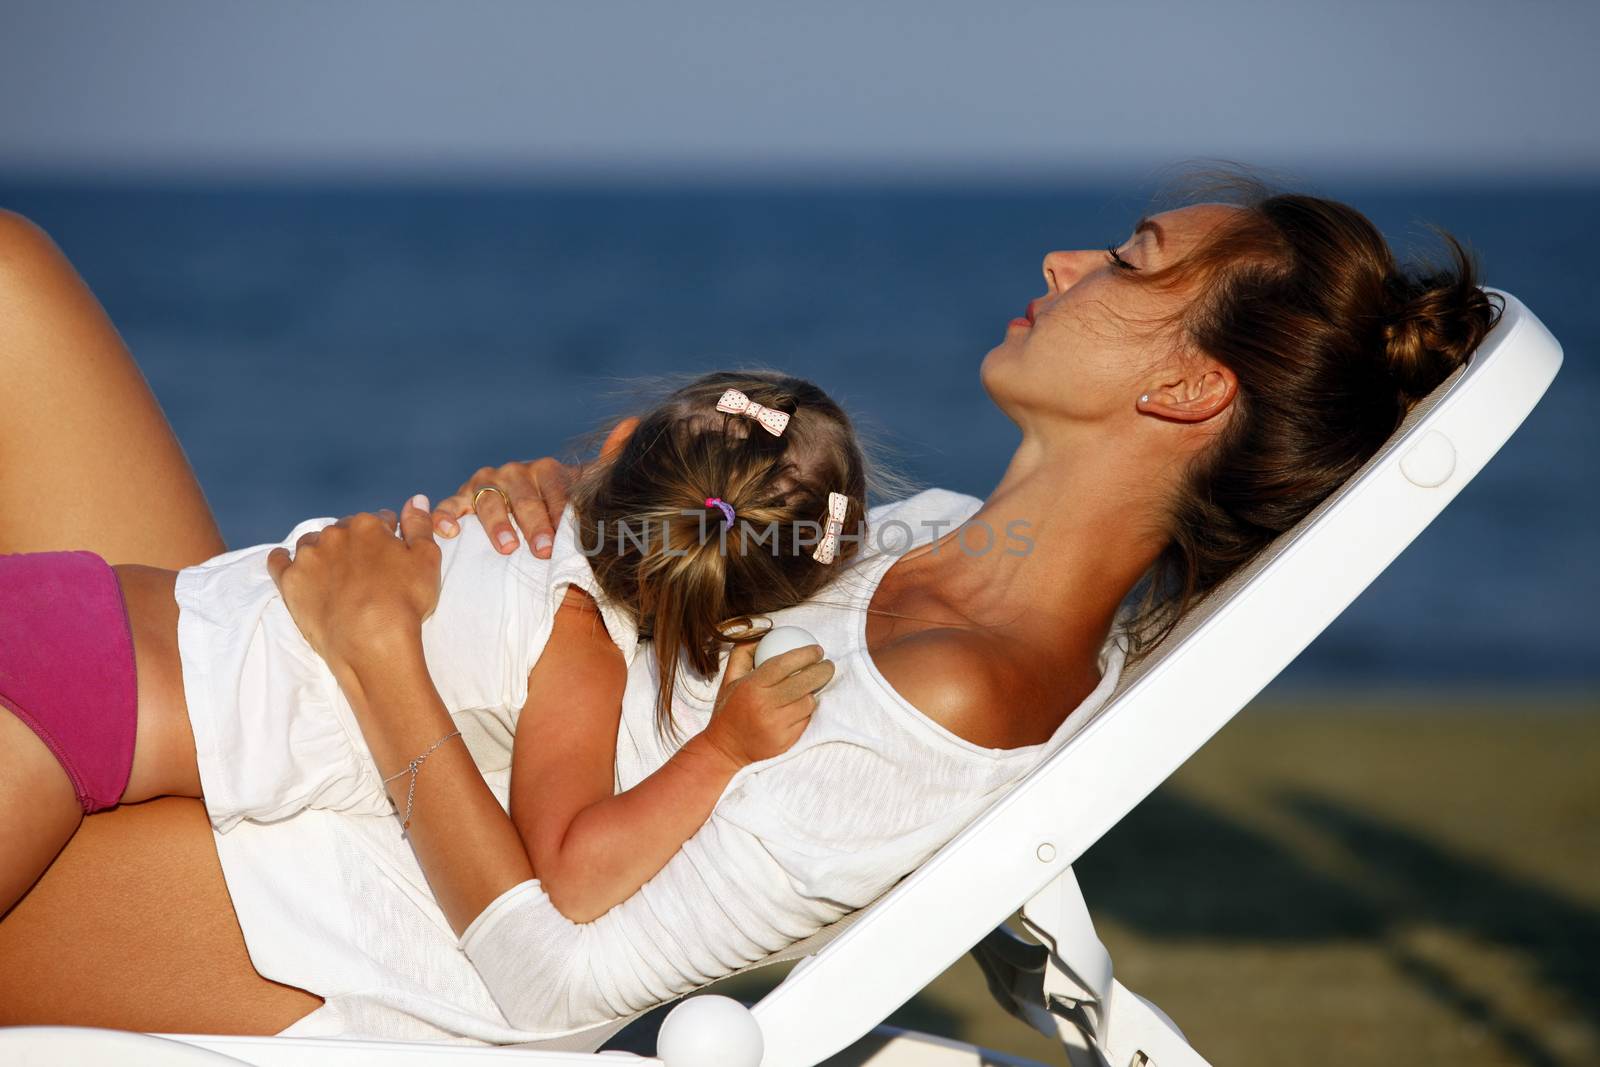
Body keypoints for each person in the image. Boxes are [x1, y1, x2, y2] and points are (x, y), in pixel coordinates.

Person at [0, 179, 1498, 1038]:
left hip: (358, 934)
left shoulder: (960, 686)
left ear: (1188, 386)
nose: (1066, 259)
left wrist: (382, 645)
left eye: (1131, 261)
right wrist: (559, 517)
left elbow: (559, 977)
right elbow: (644, 606)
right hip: (323, 736)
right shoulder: (926, 540)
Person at [1, 371, 864, 934]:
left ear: (615, 442)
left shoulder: (506, 524)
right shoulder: (575, 644)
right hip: (87, 721)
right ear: (734, 614)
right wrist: (721, 750)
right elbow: (569, 870)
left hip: (72, 599)